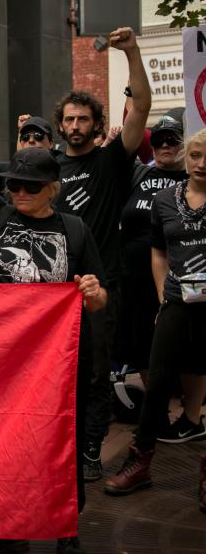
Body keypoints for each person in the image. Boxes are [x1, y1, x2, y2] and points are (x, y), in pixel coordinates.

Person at [0, 84, 107, 554]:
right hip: (3, 356)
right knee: (5, 439)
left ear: (53, 189)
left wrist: (92, 292)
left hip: (58, 362)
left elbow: (101, 298)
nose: (20, 193)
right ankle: (9, 525)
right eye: (15, 185)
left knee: (56, 440)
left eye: (31, 187)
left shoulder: (74, 229)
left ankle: (65, 526)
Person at [53, 27, 151, 482]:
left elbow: (142, 110)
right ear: (61, 125)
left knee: (95, 375)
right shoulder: (48, 169)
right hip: (52, 291)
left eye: (83, 120)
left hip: (100, 285)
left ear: (96, 124)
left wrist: (131, 51)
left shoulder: (111, 161)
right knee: (57, 377)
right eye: (69, 120)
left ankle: (91, 450)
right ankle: (61, 446)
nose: (76, 127)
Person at [104, 129, 206, 514]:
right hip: (178, 302)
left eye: (205, 156)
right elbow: (159, 251)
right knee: (160, 378)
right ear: (186, 158)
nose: (200, 164)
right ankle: (140, 461)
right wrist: (164, 293)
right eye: (194, 155)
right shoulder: (165, 200)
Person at [116, 110, 194, 426]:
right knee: (142, 345)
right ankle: (157, 410)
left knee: (189, 346)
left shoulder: (194, 177)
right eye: (159, 140)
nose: (166, 146)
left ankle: (190, 417)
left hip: (180, 277)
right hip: (135, 278)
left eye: (173, 139)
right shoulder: (138, 175)